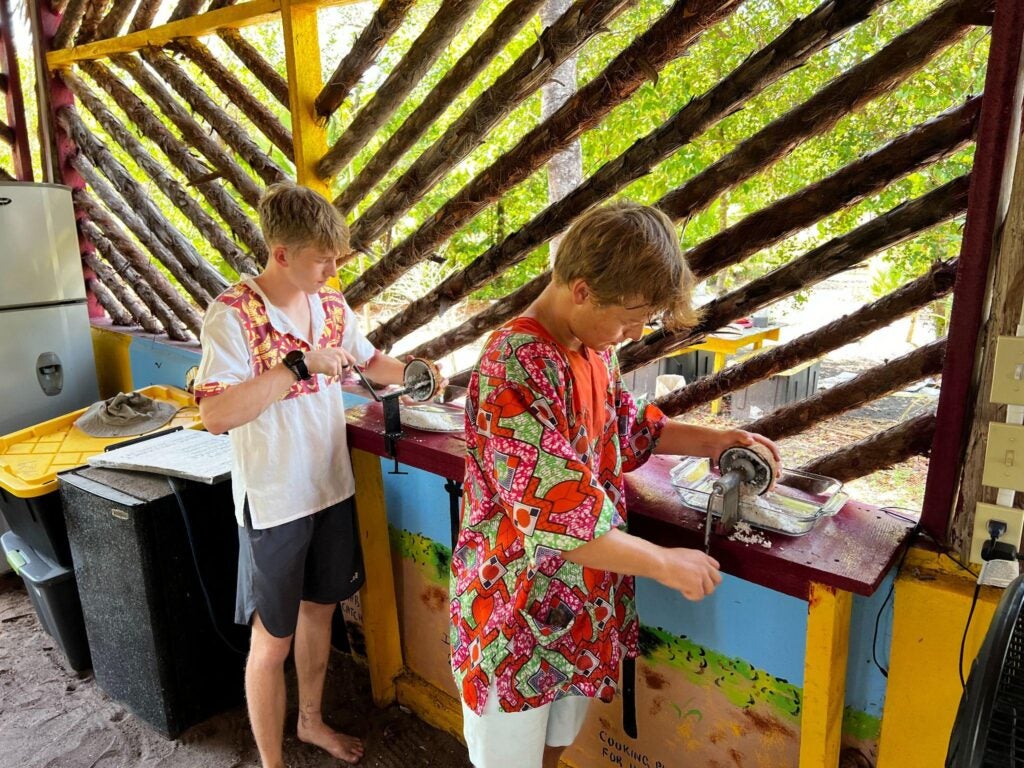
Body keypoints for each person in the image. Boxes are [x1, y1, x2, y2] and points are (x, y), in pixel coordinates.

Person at [449, 202, 781, 768]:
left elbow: (623, 430)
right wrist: (663, 563)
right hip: (513, 615)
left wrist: (717, 441)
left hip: (577, 610)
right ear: (580, 290)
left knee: (553, 747)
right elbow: (555, 519)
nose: (635, 332)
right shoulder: (515, 367)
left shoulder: (592, 351)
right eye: (630, 318)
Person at [195, 182, 429, 768]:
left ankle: (311, 722)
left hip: (329, 486)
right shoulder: (232, 315)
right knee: (271, 640)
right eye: (322, 259)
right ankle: (273, 763)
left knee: (318, 612)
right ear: (281, 254)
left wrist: (421, 374)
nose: (332, 269)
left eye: (335, 258)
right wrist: (297, 365)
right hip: (273, 500)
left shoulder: (331, 307)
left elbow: (372, 363)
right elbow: (216, 413)